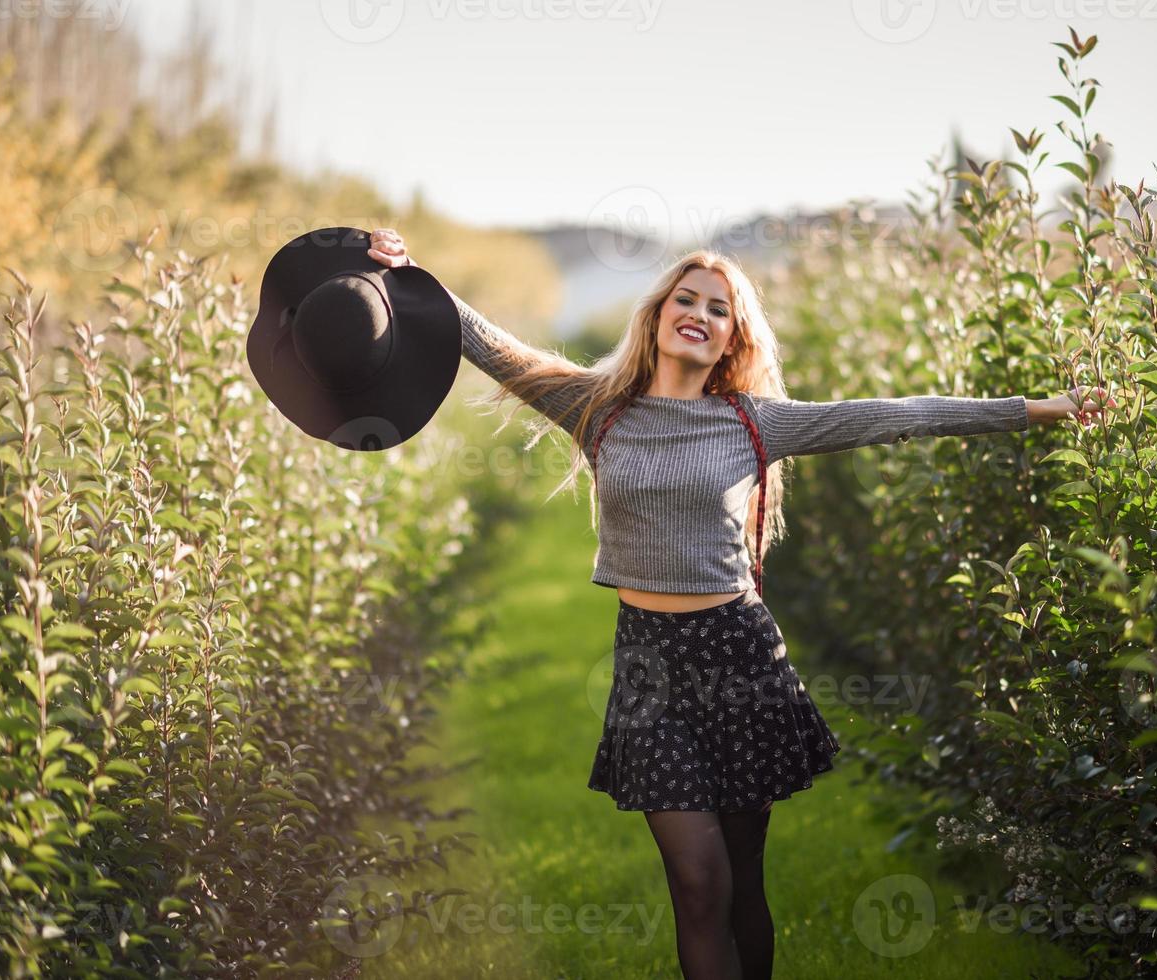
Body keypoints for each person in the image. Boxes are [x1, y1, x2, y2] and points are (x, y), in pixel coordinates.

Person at [366, 227, 1113, 979]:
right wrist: (408, 271)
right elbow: (489, 345)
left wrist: (1041, 408)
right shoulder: (596, 409)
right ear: (657, 317)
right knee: (697, 883)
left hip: (740, 658)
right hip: (648, 669)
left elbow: (899, 414)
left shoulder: (756, 422)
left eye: (717, 309)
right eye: (683, 299)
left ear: (731, 338)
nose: (697, 312)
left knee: (742, 887)